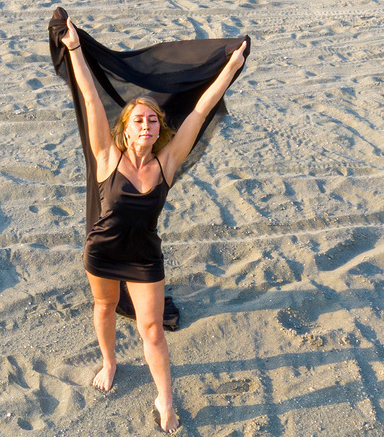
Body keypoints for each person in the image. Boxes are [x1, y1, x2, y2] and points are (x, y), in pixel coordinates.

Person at [60, 16, 247, 433]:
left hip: (145, 257)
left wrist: (231, 68)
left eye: (152, 120)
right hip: (102, 252)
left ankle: (165, 399)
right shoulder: (107, 157)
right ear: (126, 130)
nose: (146, 125)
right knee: (105, 307)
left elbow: (200, 110)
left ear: (160, 128)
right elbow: (91, 99)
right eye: (138, 120)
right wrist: (74, 48)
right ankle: (109, 361)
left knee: (153, 331)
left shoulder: (167, 163)